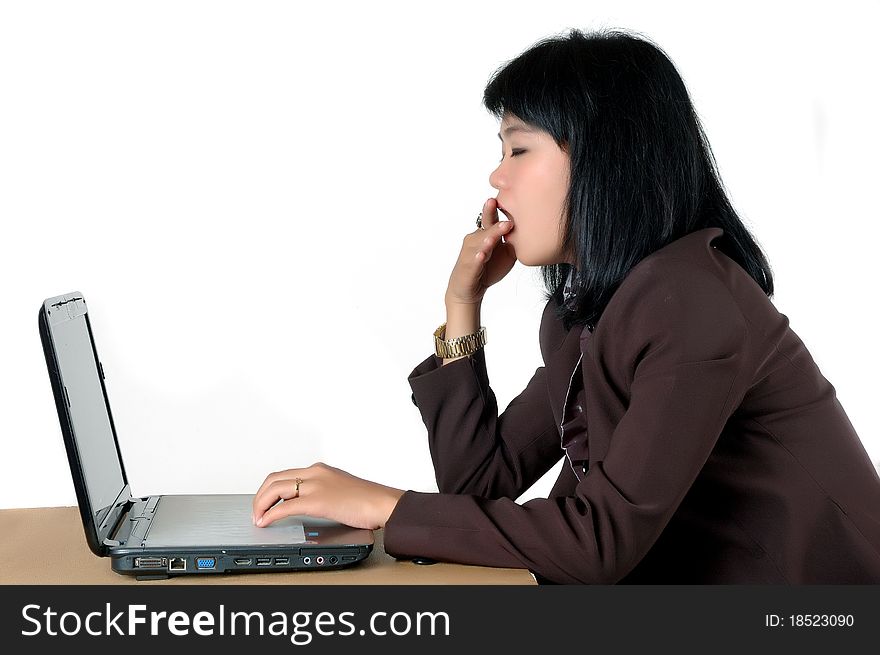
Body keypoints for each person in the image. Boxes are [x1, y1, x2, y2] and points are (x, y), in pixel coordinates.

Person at [252, 28, 880, 583]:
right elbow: (481, 487)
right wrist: (462, 305)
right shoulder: (592, 311)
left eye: (518, 150)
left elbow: (598, 545)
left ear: (604, 161)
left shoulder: (691, 300)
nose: (497, 179)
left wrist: (382, 506)